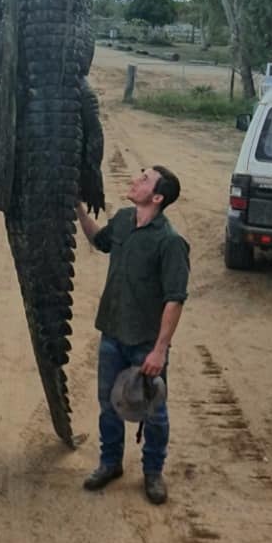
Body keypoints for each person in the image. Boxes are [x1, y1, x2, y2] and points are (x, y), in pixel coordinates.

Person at [76, 165, 190, 505]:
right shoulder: (124, 219)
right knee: (108, 404)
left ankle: (153, 472)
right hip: (112, 332)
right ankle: (109, 463)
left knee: (154, 411)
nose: (135, 180)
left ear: (157, 197)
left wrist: (160, 350)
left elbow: (174, 300)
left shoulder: (169, 242)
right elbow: (100, 241)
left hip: (144, 341)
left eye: (144, 179)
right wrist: (79, 210)